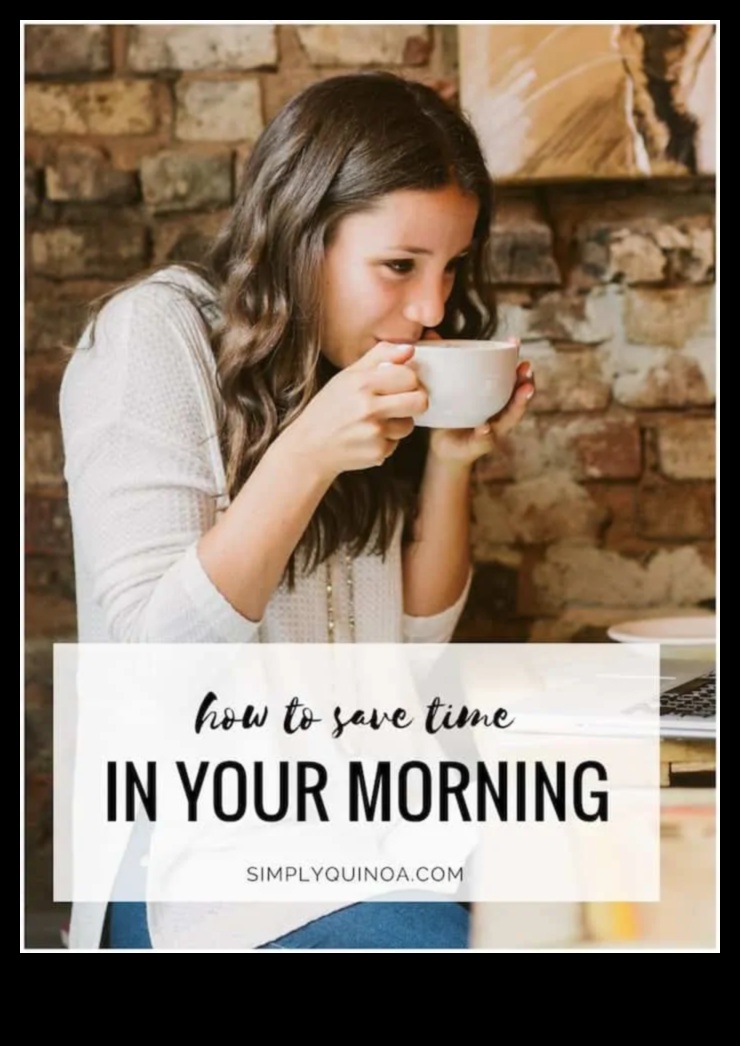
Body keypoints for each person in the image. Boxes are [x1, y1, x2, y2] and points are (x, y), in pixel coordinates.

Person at [60, 71, 534, 950]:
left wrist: (453, 464)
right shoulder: (152, 339)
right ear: (300, 233)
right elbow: (151, 671)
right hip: (205, 863)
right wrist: (307, 454)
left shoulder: (349, 356)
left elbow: (415, 646)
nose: (431, 310)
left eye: (451, 267)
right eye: (399, 266)